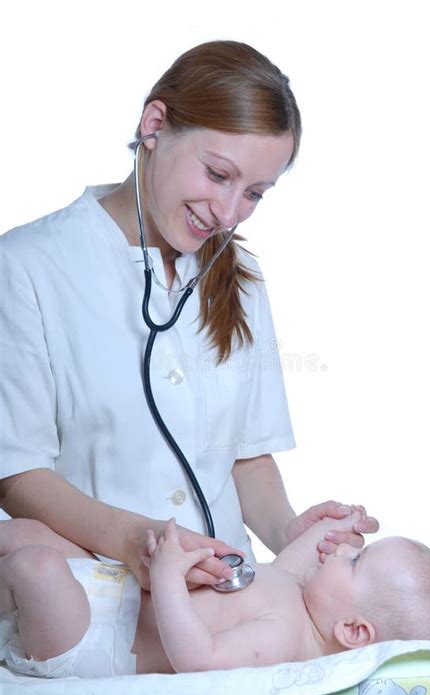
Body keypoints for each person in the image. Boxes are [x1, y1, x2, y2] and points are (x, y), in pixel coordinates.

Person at [0, 40, 378, 587]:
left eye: (254, 193)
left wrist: (293, 534)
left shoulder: (239, 274)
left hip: (226, 600)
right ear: (154, 125)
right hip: (91, 602)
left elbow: (245, 461)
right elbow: (17, 474)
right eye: (218, 175)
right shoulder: (27, 267)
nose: (228, 213)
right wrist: (138, 543)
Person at [0, 510, 430, 678]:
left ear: (351, 630)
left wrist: (166, 576)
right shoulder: (297, 594)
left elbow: (199, 660)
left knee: (32, 567)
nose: (342, 552)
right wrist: (333, 526)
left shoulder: (286, 640)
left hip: (96, 638)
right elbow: (287, 563)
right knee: (24, 531)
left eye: (355, 561)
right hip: (110, 587)